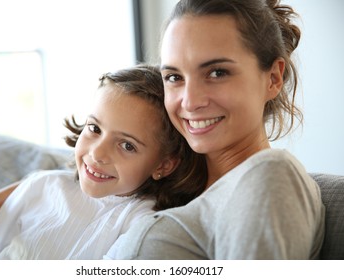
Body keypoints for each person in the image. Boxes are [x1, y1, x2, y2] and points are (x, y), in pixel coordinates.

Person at [106, 0, 325, 260]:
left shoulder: (272, 175)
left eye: (217, 72)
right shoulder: (164, 182)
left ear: (273, 78)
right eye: (174, 77)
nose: (189, 101)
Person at [0, 64, 207, 259]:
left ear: (163, 165)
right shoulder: (46, 184)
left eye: (127, 145)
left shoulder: (141, 225)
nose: (98, 153)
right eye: (95, 128)